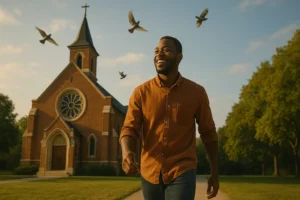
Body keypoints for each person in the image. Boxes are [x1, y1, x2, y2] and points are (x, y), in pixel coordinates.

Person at [119, 35, 219, 200]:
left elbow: (208, 133)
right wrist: (126, 152)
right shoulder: (140, 93)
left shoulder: (197, 93)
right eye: (156, 51)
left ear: (179, 57)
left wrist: (215, 172)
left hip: (182, 169)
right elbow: (129, 128)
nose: (159, 54)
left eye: (166, 50)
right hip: (149, 172)